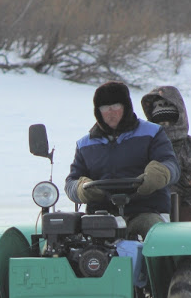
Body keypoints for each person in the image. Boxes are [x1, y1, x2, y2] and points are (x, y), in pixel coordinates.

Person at [65, 80, 180, 240]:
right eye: (105, 108)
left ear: (126, 106)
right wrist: (80, 189)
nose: (110, 113)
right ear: (98, 111)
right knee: (64, 239)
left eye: (115, 107)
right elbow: (71, 182)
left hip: (145, 211)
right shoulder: (85, 144)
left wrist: (160, 173)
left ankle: (166, 264)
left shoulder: (152, 133)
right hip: (101, 217)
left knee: (160, 236)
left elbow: (171, 165)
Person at [141, 85, 191, 221]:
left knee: (190, 216)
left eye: (169, 120)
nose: (165, 125)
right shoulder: (144, 148)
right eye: (160, 121)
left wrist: (183, 205)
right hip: (150, 213)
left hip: (187, 219)